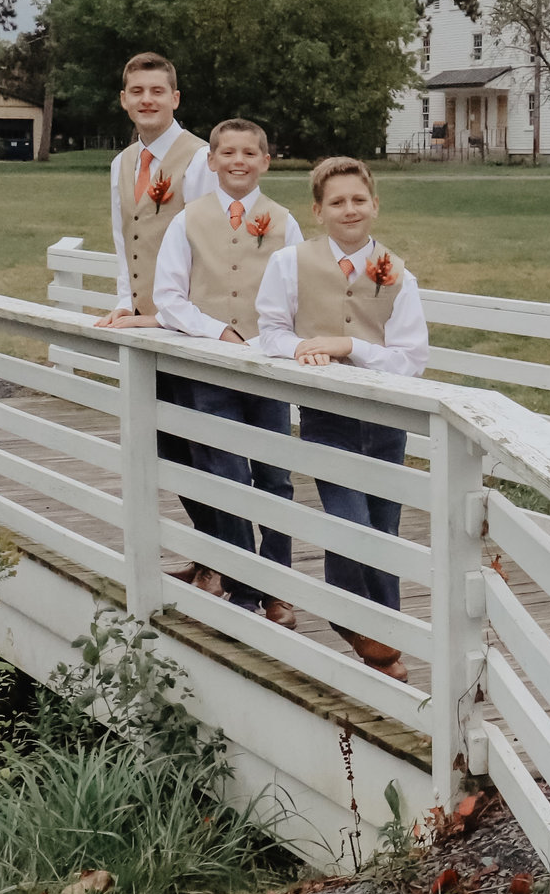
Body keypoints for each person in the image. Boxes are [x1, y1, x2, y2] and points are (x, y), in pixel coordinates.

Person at [255, 157, 429, 682]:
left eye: (358, 200)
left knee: (385, 529)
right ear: (317, 210)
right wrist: (304, 349)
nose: (349, 210)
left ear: (375, 205)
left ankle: (388, 638)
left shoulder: (399, 276)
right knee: (350, 524)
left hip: (385, 422)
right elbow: (271, 330)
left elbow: (411, 359)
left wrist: (350, 345)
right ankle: (354, 622)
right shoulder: (291, 264)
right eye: (337, 202)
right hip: (328, 418)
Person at [150, 118, 303, 625]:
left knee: (275, 477)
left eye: (249, 153)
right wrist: (215, 332)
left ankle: (278, 585)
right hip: (210, 367)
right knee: (227, 472)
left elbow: (298, 295)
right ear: (212, 161)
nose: (239, 161)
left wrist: (268, 341)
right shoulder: (187, 220)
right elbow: (168, 297)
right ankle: (242, 588)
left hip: (268, 366)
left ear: (265, 160)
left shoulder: (284, 222)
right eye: (228, 153)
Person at [92, 53, 211, 328]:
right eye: (137, 91)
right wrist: (125, 303)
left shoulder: (200, 159)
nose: (147, 99)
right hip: (137, 320)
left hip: (189, 326)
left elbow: (207, 252)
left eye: (157, 91)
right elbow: (123, 243)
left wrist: (167, 319)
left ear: (175, 99)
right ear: (124, 100)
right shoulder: (120, 163)